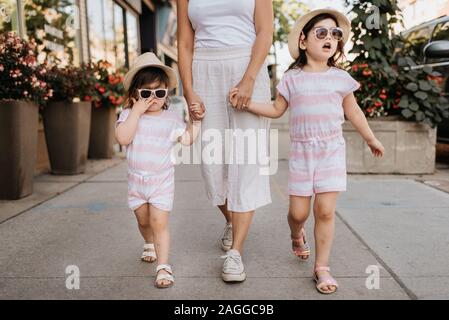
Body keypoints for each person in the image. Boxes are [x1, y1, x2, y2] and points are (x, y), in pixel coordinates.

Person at [230, 9, 385, 294]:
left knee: (325, 211)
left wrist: (370, 138)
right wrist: (248, 104)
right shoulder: (292, 78)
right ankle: (296, 234)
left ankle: (322, 267)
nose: (330, 38)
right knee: (298, 213)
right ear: (303, 41)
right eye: (321, 33)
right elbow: (277, 110)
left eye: (335, 34)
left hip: (331, 151)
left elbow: (353, 111)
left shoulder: (341, 78)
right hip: (302, 153)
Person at [177, 0, 274, 282]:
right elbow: (184, 43)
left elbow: (265, 32)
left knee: (246, 161)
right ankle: (233, 220)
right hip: (204, 70)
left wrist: (249, 79)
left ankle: (235, 253)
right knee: (212, 164)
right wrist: (189, 92)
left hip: (246, 64)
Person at [115, 52, 205, 288]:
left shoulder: (171, 118)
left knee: (159, 222)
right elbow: (123, 138)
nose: (152, 98)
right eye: (146, 93)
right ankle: (148, 242)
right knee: (144, 222)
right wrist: (135, 112)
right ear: (135, 94)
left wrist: (195, 123)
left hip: (161, 181)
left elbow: (186, 140)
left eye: (159, 92)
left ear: (166, 93)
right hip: (137, 183)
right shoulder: (128, 115)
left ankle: (163, 266)